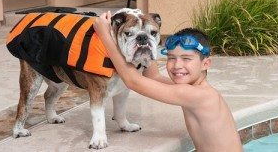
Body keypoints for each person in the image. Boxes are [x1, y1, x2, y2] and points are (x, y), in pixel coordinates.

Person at [93, 11, 243, 152]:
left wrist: (105, 35)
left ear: (205, 64)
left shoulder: (196, 95)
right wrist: (145, 44)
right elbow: (153, 77)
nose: (177, 65)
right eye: (171, 58)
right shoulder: (193, 87)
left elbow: (133, 81)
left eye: (186, 59)